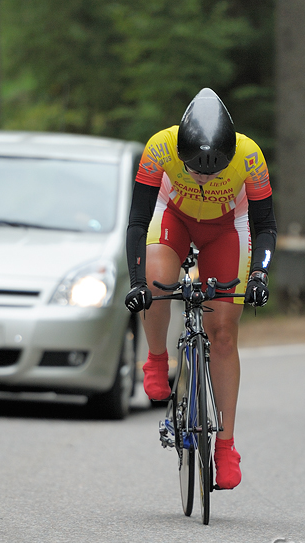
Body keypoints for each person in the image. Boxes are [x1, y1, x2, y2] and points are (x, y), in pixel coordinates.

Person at [124, 88, 277, 489]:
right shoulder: (159, 147)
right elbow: (138, 223)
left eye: (213, 171)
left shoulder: (249, 155)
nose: (205, 177)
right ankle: (157, 359)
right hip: (172, 216)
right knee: (158, 280)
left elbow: (267, 227)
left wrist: (259, 276)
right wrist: (137, 283)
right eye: (196, 170)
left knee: (223, 333)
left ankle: (225, 446)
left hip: (227, 229)